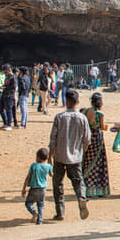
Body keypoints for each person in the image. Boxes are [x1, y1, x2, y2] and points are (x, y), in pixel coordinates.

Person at [48, 89, 91, 220]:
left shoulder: (59, 117)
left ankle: (60, 212)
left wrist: (50, 156)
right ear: (78, 101)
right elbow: (87, 139)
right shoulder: (82, 118)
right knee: (78, 181)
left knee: (57, 184)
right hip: (76, 156)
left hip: (59, 155)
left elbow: (53, 138)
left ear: (66, 101)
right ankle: (81, 197)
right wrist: (82, 152)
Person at [82, 92, 110, 198]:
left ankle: (87, 188)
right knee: (98, 162)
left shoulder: (86, 111)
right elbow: (102, 127)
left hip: (88, 137)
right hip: (97, 138)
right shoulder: (100, 114)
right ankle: (97, 189)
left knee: (88, 160)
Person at [22, 148, 53, 224]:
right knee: (41, 205)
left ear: (38, 157)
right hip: (43, 189)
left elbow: (28, 177)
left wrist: (24, 188)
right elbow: (51, 174)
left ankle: (33, 211)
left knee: (28, 203)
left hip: (34, 189)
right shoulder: (48, 166)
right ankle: (40, 220)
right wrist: (50, 164)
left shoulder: (34, 166)